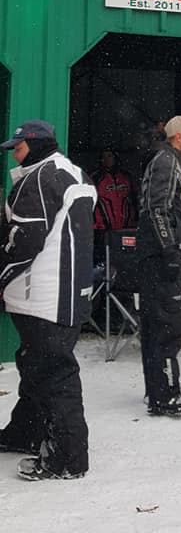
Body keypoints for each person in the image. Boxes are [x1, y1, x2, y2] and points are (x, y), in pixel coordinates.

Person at [0, 120, 96, 481]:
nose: (15, 152)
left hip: (43, 293)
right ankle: (26, 431)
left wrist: (1, 275)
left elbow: (24, 240)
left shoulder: (40, 177)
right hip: (66, 289)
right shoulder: (73, 172)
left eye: (19, 147)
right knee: (36, 365)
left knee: (54, 375)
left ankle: (68, 458)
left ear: (37, 145)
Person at [137, 114, 181, 417]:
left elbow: (164, 207)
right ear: (179, 137)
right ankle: (165, 394)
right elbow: (155, 210)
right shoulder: (166, 161)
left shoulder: (172, 163)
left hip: (159, 256)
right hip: (160, 259)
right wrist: (169, 250)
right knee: (167, 324)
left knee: (158, 325)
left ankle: (160, 388)